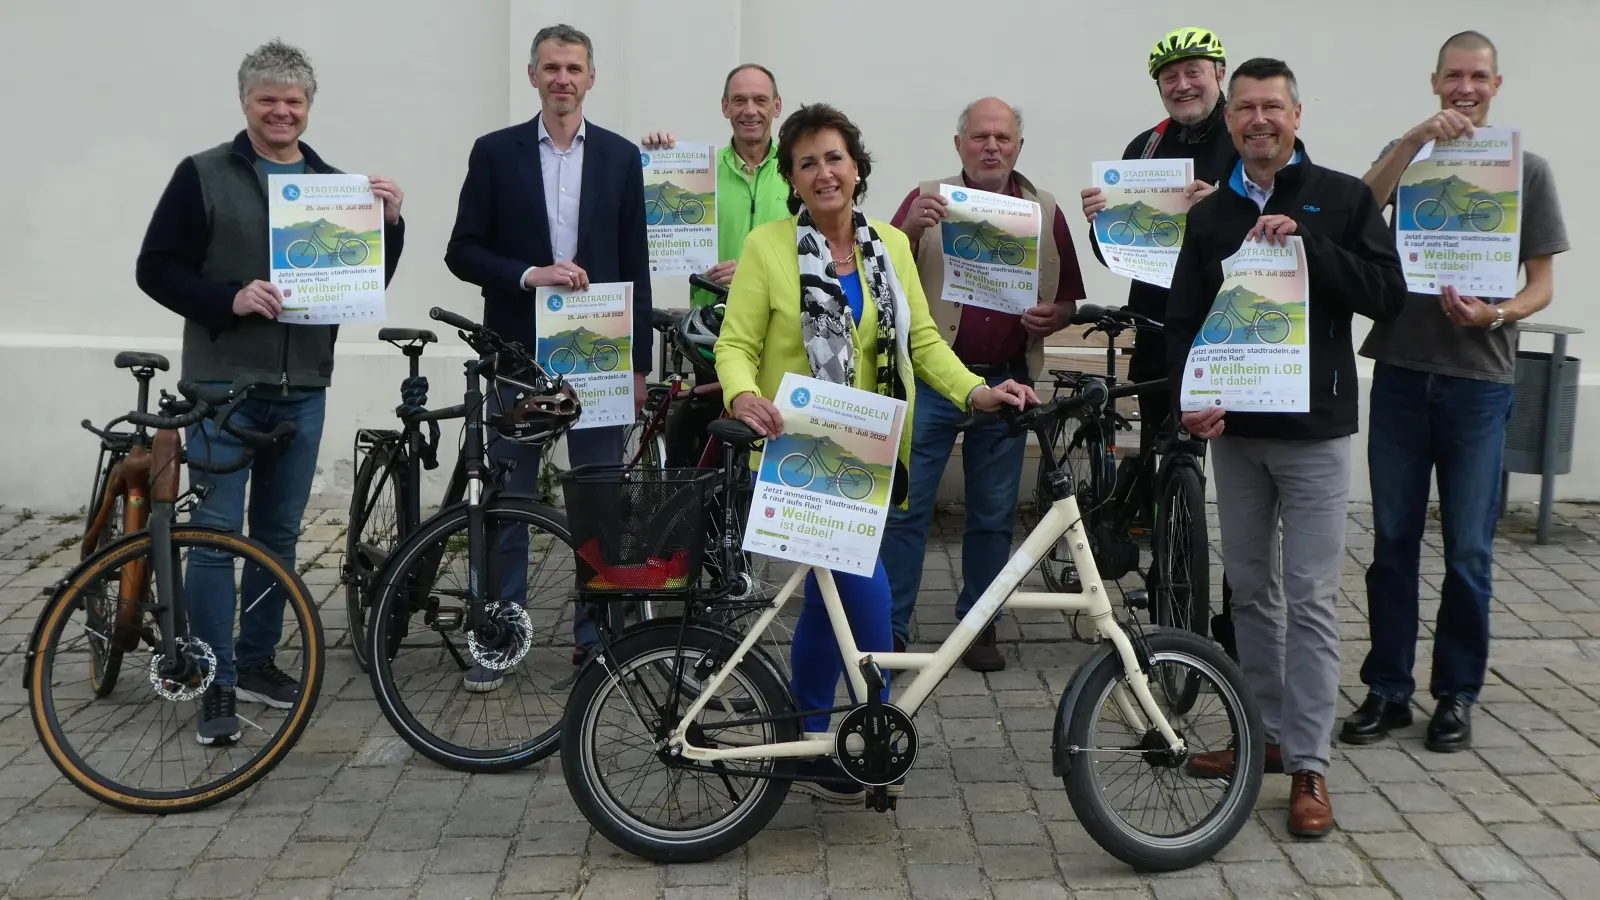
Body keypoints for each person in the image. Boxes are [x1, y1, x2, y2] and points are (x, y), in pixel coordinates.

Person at [714, 103, 1035, 802]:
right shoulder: (770, 249)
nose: (823, 172)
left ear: (857, 168)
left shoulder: (889, 243)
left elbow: (921, 343)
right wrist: (742, 396)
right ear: (792, 180)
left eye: (834, 157)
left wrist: (977, 393)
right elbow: (734, 345)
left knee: (830, 602)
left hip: (871, 451)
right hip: (798, 449)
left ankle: (813, 736)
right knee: (864, 596)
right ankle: (873, 734)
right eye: (806, 163)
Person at [134, 39, 408, 744]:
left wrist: (390, 226)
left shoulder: (333, 187)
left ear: (308, 108)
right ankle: (213, 677)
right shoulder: (202, 176)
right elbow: (156, 268)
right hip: (222, 387)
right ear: (246, 103)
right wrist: (230, 297)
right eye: (269, 100)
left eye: (294, 101)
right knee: (219, 537)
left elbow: (364, 283)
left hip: (302, 386)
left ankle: (257, 660)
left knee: (279, 537)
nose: (282, 111)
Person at [1164, 58, 1405, 838]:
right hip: (1237, 437)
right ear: (1229, 121)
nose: (1258, 121)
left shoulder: (1341, 197)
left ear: (1297, 115)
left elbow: (1384, 294)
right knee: (1250, 594)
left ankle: (1309, 762)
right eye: (1245, 109)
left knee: (1308, 598)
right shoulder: (1209, 216)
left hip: (1313, 436)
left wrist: (1308, 246)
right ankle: (1261, 736)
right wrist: (1190, 399)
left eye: (1272, 107)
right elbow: (1185, 322)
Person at [1341, 31, 1569, 753]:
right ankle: (1387, 689)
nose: (1465, 89)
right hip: (1404, 374)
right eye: (1453, 78)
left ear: (1496, 85)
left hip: (1480, 381)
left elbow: (1541, 285)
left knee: (1470, 549)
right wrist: (1411, 141)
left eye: (1478, 77)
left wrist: (1495, 313)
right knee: (1392, 543)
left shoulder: (1526, 171)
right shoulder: (1405, 157)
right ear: (1435, 82)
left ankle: (1457, 694)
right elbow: (1356, 214)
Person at [444, 23, 652, 689]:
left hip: (597, 356)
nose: (563, 79)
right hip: (517, 353)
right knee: (508, 497)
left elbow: (636, 267)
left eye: (574, 68)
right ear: (533, 76)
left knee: (599, 499)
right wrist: (529, 274)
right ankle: (498, 637)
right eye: (551, 68)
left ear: (592, 79)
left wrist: (639, 365)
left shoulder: (620, 158)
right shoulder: (495, 153)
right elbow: (462, 251)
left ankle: (597, 642)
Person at [878, 97, 1087, 671]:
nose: (991, 146)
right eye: (979, 137)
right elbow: (877, 276)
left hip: (1007, 383)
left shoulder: (1044, 210)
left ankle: (979, 625)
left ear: (1019, 147)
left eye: (1002, 138)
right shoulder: (928, 200)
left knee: (993, 515)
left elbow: (1068, 295)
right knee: (905, 510)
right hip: (932, 381)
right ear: (958, 144)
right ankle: (891, 628)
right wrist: (907, 228)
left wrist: (1057, 315)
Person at [1080, 26, 1246, 659]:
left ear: (1219, 72)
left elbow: (1283, 228)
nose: (1182, 84)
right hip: (1159, 329)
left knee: (1240, 486)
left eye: (1194, 71)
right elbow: (1117, 253)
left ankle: (1236, 620)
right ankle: (1167, 588)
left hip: (1235, 333)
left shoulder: (1251, 138)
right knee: (1163, 465)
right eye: (1169, 76)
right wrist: (1101, 222)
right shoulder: (1145, 147)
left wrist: (1222, 208)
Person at [640, 64, 792, 466]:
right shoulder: (697, 172)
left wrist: (756, 271)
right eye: (739, 100)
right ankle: (705, 523)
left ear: (777, 106)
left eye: (760, 100)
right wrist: (659, 158)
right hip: (716, 328)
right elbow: (654, 199)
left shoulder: (798, 171)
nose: (750, 109)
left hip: (783, 326)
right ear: (724, 107)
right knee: (711, 438)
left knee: (777, 430)